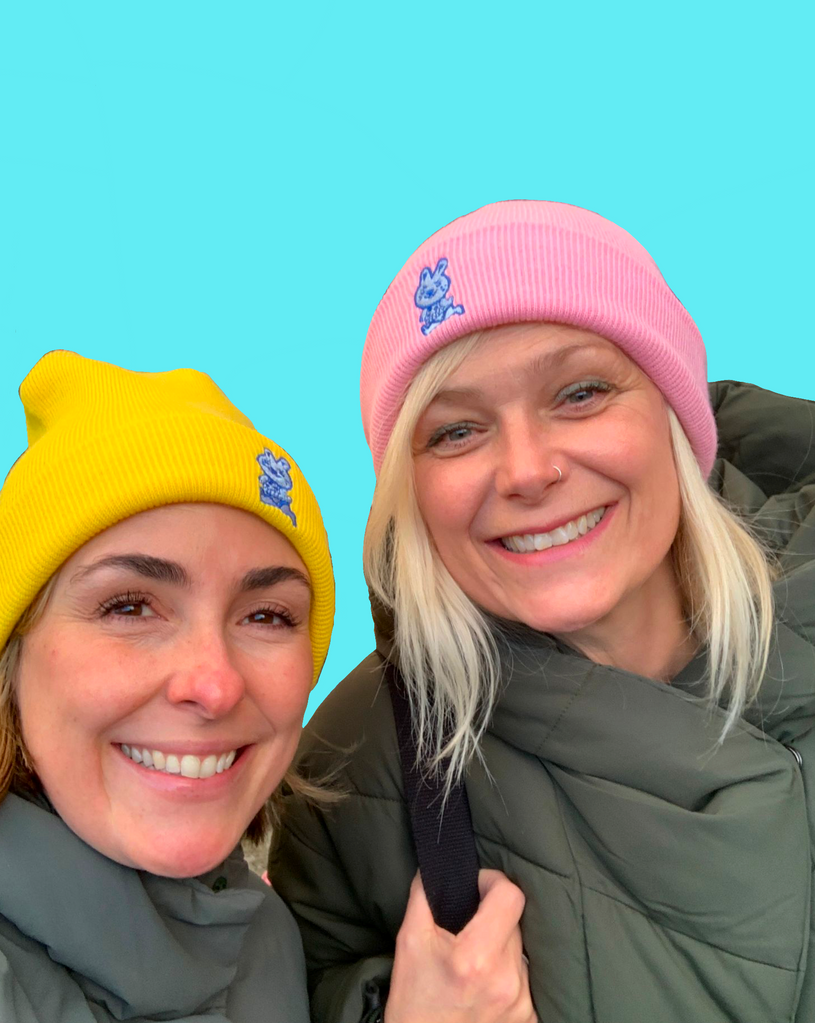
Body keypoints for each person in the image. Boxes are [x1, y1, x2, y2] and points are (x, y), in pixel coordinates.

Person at [269, 201, 815, 1023]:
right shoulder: (350, 772)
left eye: (581, 393)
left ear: (674, 416)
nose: (525, 470)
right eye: (454, 432)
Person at [0, 350, 337, 1022]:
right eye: (128, 606)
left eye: (267, 615)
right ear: (14, 650)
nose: (213, 685)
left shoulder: (268, 935)